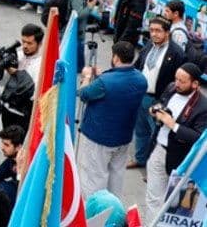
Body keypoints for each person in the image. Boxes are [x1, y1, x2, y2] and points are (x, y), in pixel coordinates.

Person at [77, 41, 147, 198]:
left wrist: (87, 77)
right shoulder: (141, 80)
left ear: (116, 57)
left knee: (93, 180)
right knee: (116, 179)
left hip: (98, 139)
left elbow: (83, 94)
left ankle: (93, 217)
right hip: (123, 138)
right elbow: (119, 89)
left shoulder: (105, 82)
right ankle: (113, 214)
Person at [145, 63, 207, 217]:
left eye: (182, 81)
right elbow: (161, 102)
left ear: (195, 84)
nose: (177, 84)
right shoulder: (171, 87)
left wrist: (173, 125)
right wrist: (156, 109)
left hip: (182, 159)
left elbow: (198, 138)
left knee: (177, 208)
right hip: (159, 149)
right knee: (153, 199)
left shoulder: (203, 106)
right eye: (176, 79)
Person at [130, 17, 187, 169]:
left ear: (167, 32)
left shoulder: (177, 53)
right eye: (152, 30)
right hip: (141, 96)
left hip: (158, 100)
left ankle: (154, 168)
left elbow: (178, 81)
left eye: (158, 31)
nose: (154, 34)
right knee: (140, 130)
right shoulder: (149, 45)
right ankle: (140, 159)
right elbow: (138, 66)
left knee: (156, 134)